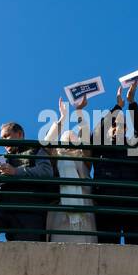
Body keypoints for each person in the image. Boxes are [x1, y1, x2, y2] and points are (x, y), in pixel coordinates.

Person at [0, 120, 55, 242]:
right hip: (5, 209)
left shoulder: (35, 149)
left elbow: (46, 172)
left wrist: (15, 172)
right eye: (1, 138)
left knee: (27, 251)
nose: (3, 141)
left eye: (6, 136)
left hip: (29, 211)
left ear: (19, 134)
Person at [91, 81, 138, 245]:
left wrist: (131, 102)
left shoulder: (132, 146)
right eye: (114, 124)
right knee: (107, 246)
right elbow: (97, 132)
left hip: (133, 203)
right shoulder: (101, 146)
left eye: (122, 124)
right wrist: (117, 107)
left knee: (137, 248)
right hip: (107, 201)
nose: (117, 127)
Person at [42, 99, 97, 244]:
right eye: (66, 139)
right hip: (61, 214)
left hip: (85, 213)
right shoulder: (56, 158)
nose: (71, 141)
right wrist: (63, 117)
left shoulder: (84, 160)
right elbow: (47, 143)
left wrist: (79, 112)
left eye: (74, 139)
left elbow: (85, 137)